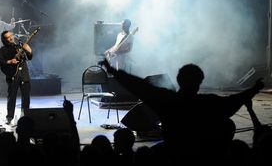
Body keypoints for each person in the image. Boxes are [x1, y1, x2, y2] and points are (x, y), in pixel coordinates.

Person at [100, 59, 264, 164]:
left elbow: (139, 86)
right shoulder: (208, 102)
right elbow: (234, 101)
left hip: (175, 155)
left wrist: (113, 71)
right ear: (199, 82)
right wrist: (255, 88)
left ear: (178, 80)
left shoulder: (168, 100)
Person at [0, 30, 33, 125]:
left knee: (26, 98)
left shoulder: (19, 46)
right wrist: (9, 62)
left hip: (24, 74)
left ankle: (25, 118)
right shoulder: (3, 50)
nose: (11, 38)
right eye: (8, 37)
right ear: (4, 40)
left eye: (11, 35)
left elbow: (29, 57)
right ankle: (9, 117)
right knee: (12, 97)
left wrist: (29, 50)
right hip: (13, 75)